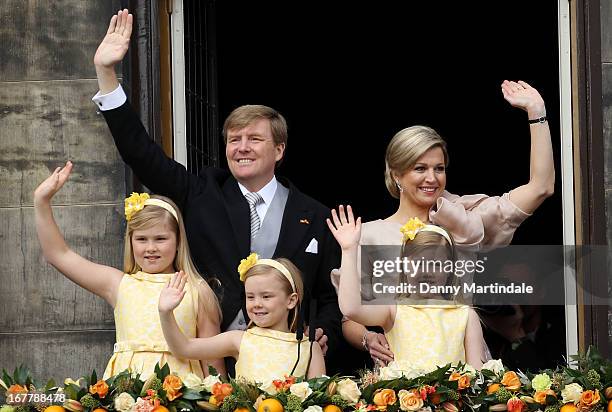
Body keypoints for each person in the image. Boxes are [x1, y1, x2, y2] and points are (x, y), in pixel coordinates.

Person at [91, 9, 341, 370]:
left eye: (254, 139)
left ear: (280, 150)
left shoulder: (314, 214)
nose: (241, 147)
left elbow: (326, 296)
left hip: (286, 366)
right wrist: (107, 75)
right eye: (234, 139)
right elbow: (140, 153)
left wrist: (323, 331)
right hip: (210, 357)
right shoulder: (202, 192)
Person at [334, 80, 555, 367]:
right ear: (397, 175)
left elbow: (541, 187)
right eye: (420, 168)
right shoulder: (368, 235)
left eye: (439, 168)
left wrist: (537, 112)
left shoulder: (465, 219)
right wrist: (368, 338)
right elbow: (348, 317)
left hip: (465, 372)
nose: (432, 178)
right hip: (401, 381)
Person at [33, 161, 224, 379]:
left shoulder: (198, 290)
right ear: (130, 241)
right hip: (127, 396)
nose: (151, 248)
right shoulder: (119, 284)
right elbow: (59, 254)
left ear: (179, 241)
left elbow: (214, 369)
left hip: (182, 397)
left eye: (160, 239)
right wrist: (42, 201)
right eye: (142, 239)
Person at [328, 207, 485, 371]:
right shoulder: (393, 310)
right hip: (403, 396)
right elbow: (351, 308)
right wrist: (349, 250)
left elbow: (477, 375)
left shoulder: (466, 315)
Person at [158, 255, 325, 382]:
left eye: (266, 296)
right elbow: (184, 348)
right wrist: (165, 313)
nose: (256, 304)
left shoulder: (309, 348)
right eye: (250, 297)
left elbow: (318, 401)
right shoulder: (238, 339)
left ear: (291, 300)